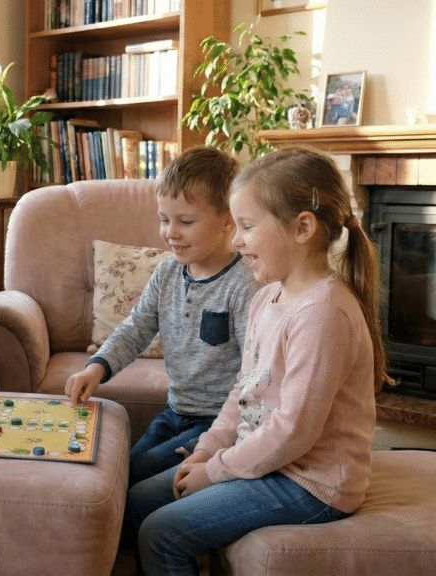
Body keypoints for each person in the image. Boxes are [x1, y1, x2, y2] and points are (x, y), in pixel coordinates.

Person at [125, 146, 389, 576]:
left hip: (310, 482)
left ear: (303, 227)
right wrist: (207, 449)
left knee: (162, 532)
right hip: (268, 459)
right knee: (138, 500)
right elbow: (243, 391)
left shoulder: (323, 314)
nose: (235, 240)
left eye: (246, 226)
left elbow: (293, 431)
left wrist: (216, 471)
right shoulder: (268, 295)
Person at [65, 146, 260, 487]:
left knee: (135, 481)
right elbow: (136, 328)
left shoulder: (243, 285)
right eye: (164, 219)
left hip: (217, 424)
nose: (170, 232)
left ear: (227, 219)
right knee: (119, 471)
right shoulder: (168, 271)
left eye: (185, 221)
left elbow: (253, 374)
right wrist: (97, 367)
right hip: (174, 413)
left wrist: (223, 441)